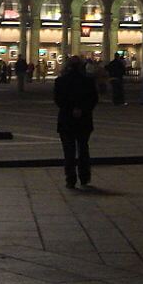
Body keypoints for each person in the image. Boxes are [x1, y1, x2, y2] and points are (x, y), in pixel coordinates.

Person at [54, 55, 98, 189]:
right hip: (84, 119)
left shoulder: (61, 81)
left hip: (66, 119)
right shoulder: (88, 81)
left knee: (69, 151)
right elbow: (93, 99)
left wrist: (71, 109)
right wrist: (81, 109)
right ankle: (84, 177)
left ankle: (70, 179)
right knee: (83, 148)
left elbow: (59, 100)